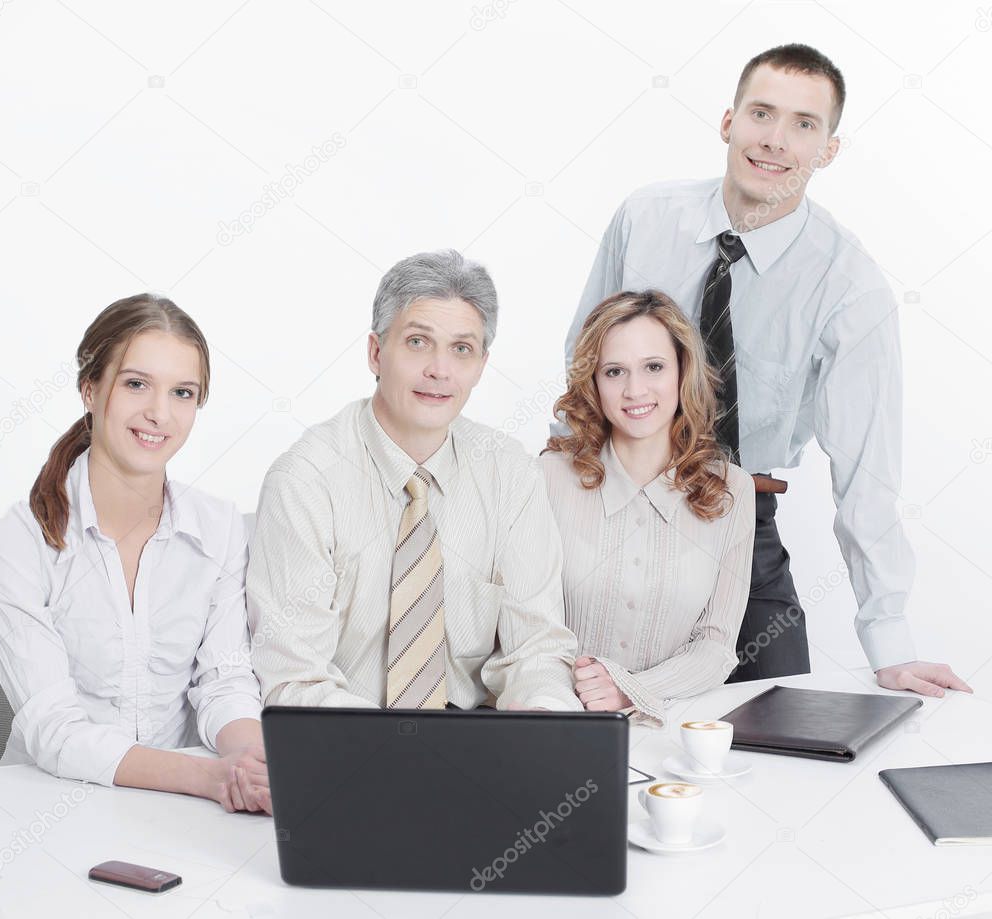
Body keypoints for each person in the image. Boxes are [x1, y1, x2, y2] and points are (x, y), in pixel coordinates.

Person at [561, 43, 970, 697]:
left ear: (828, 149)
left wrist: (889, 638)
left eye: (804, 125)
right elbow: (581, 369)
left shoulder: (849, 286)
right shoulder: (645, 218)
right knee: (571, 713)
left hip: (736, 525)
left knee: (776, 736)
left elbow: (866, 470)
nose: (775, 140)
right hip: (608, 509)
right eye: (762, 113)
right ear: (729, 121)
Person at [248, 249, 580, 712]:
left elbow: (536, 651)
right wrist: (402, 751)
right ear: (375, 352)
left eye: (461, 349)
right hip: (346, 742)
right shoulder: (305, 481)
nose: (439, 370)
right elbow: (294, 678)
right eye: (418, 342)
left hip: (474, 743)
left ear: (482, 365)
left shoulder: (510, 474)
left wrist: (548, 724)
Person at [0, 294, 271, 814]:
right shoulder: (17, 542)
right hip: (45, 811)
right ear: (90, 388)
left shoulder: (221, 527)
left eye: (183, 392)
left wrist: (250, 766)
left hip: (183, 812)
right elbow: (55, 731)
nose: (160, 413)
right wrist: (207, 776)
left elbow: (225, 680)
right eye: (137, 384)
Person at [543, 290, 755, 724]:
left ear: (682, 372)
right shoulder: (548, 478)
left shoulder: (733, 490)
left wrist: (632, 690)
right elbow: (524, 629)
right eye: (614, 371)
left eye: (654, 367)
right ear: (593, 382)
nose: (634, 390)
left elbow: (716, 646)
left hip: (670, 729)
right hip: (559, 722)